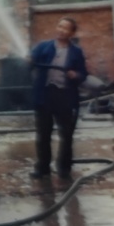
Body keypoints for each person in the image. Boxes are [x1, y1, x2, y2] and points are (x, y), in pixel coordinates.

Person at [30, 16, 88, 180]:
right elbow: (31, 62)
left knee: (66, 134)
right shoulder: (43, 47)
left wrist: (75, 74)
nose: (61, 30)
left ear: (72, 33)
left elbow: (83, 74)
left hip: (65, 96)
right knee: (43, 134)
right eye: (60, 26)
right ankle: (42, 168)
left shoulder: (76, 52)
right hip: (45, 95)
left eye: (66, 28)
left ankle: (64, 168)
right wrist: (28, 60)